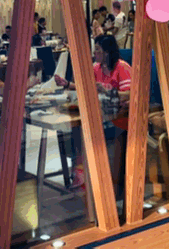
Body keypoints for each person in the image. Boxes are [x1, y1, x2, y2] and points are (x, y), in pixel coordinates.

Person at [54, 35, 131, 188]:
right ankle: (83, 173)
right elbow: (86, 87)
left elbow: (131, 94)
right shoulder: (96, 68)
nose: (94, 53)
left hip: (120, 119)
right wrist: (67, 84)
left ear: (107, 52)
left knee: (82, 131)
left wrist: (108, 91)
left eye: (97, 50)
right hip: (102, 116)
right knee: (75, 130)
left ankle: (99, 178)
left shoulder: (122, 67)